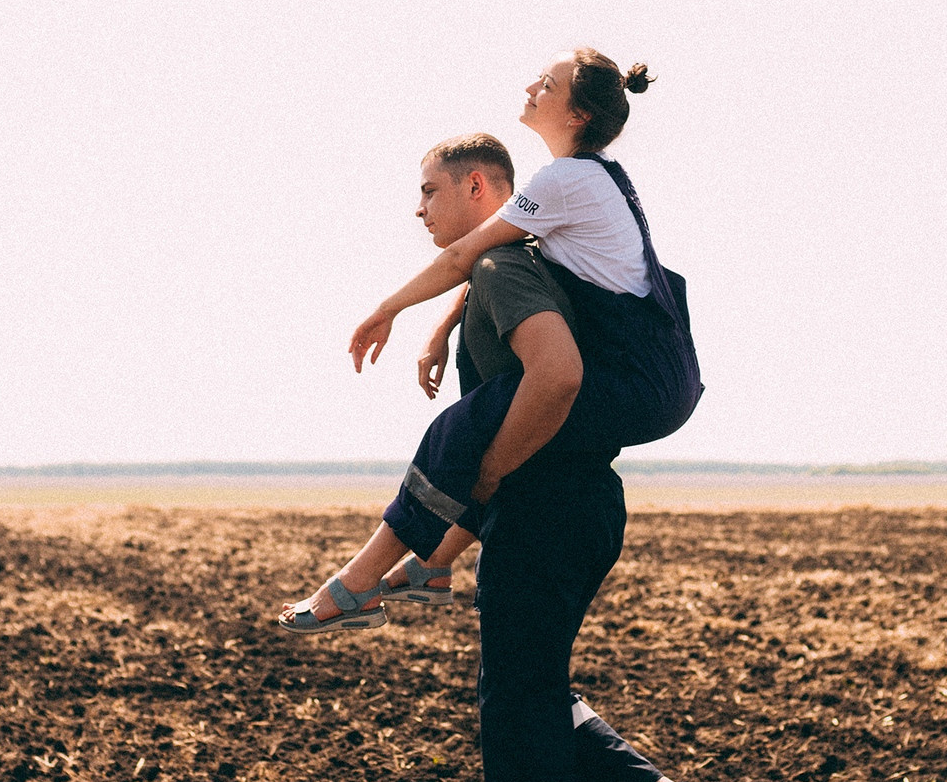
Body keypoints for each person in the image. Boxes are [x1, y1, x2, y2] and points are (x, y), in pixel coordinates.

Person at [278, 49, 703, 632]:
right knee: (498, 427)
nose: (532, 85)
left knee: (467, 426)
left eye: (548, 83)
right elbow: (505, 262)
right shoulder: (596, 178)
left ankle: (355, 585)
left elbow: (469, 256)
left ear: (577, 114)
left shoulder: (564, 179)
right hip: (656, 378)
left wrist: (387, 310)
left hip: (636, 379)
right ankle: (431, 564)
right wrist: (444, 327)